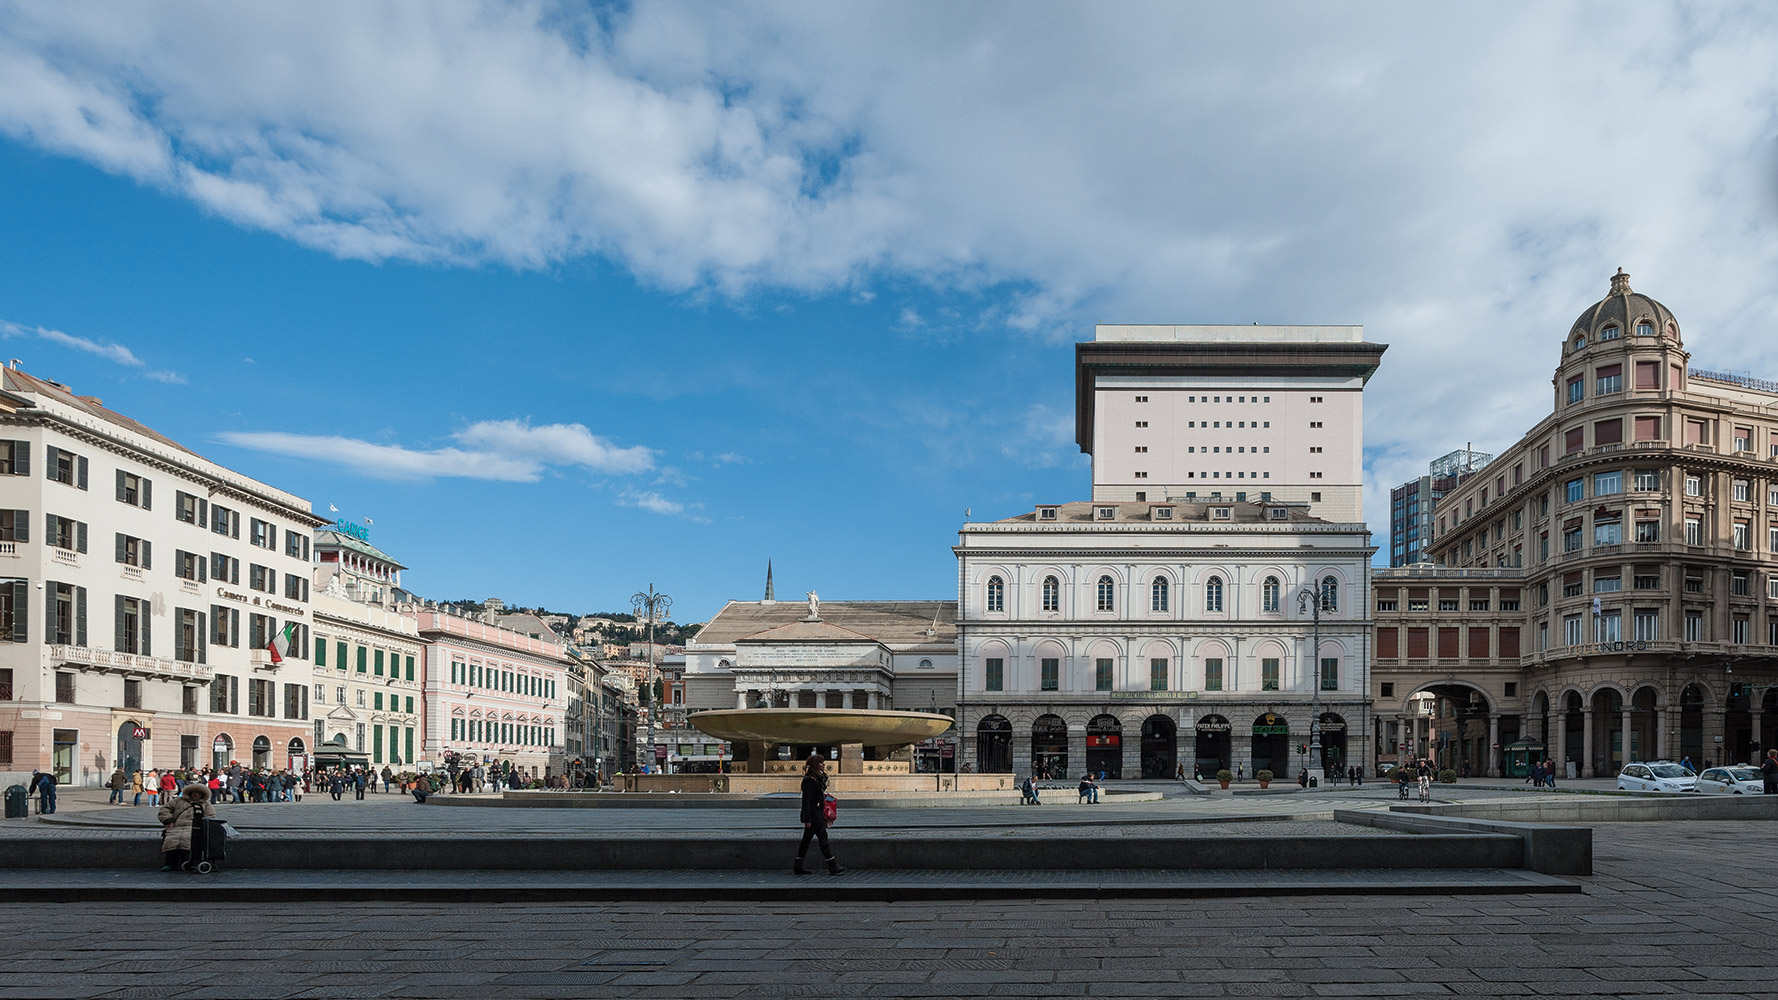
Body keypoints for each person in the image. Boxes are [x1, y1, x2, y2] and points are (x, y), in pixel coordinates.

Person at [793, 753, 844, 876]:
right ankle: (832, 865)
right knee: (823, 839)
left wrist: (823, 777)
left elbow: (821, 789)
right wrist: (807, 819)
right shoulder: (809, 781)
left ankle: (798, 865)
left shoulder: (816, 778)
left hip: (817, 813)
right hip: (814, 815)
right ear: (815, 765)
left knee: (806, 840)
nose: (823, 765)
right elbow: (806, 801)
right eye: (821, 763)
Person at [157, 783, 216, 872]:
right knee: (171, 840)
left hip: (194, 828)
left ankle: (187, 862)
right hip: (176, 826)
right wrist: (169, 820)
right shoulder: (178, 801)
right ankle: (170, 863)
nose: (196, 794)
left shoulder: (206, 804)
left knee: (188, 841)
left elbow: (210, 817)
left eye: (198, 793)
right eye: (194, 793)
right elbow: (165, 810)